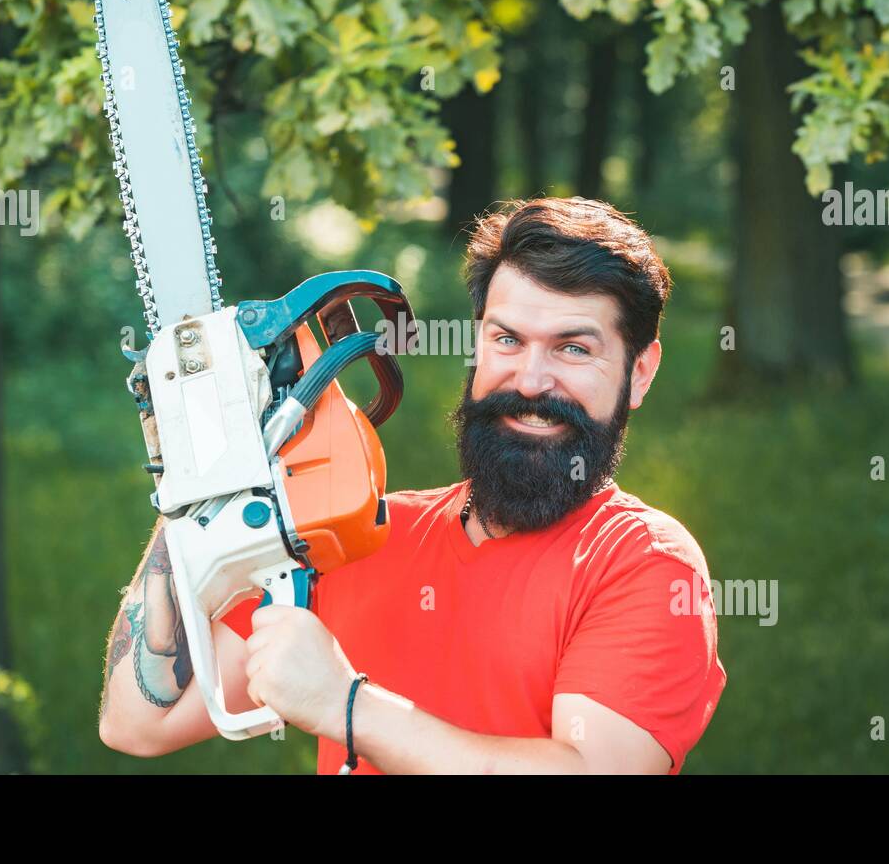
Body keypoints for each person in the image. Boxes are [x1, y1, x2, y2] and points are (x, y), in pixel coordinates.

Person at [97, 196, 727, 774]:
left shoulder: (644, 565)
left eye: (573, 349)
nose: (531, 380)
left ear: (640, 372)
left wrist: (346, 707)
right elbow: (138, 723)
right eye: (508, 339)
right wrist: (198, 484)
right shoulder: (356, 534)